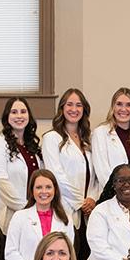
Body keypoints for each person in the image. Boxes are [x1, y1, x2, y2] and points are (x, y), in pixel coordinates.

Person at [4, 169, 75, 260]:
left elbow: (68, 254)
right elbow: (10, 253)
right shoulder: (19, 217)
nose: (44, 192)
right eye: (39, 187)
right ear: (31, 191)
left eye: (48, 187)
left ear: (55, 190)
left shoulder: (66, 219)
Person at [0, 96, 43, 235]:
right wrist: (25, 207)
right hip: (6, 214)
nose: (19, 116)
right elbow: (0, 182)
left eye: (23, 111)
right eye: (14, 112)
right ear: (7, 117)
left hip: (30, 215)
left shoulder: (32, 147)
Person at [42, 88, 94, 227]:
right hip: (64, 208)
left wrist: (92, 199)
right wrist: (81, 202)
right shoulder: (51, 138)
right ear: (62, 108)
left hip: (88, 212)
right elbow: (56, 176)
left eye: (78, 105)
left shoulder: (88, 140)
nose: (74, 109)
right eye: (69, 104)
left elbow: (94, 176)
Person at [90, 87, 130, 195]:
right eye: (119, 104)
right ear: (113, 107)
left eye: (129, 105)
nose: (123, 109)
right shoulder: (100, 133)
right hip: (112, 197)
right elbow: (102, 172)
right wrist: (122, 194)